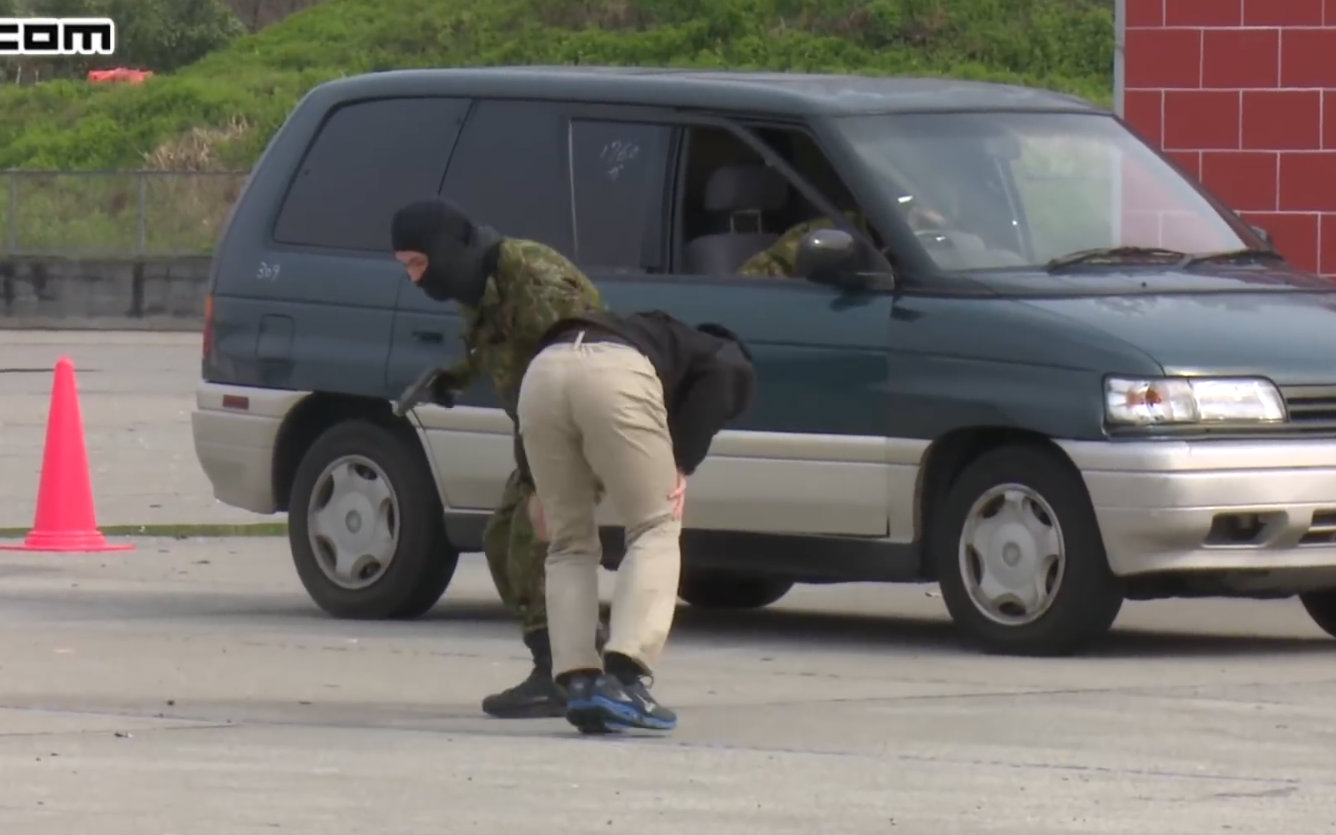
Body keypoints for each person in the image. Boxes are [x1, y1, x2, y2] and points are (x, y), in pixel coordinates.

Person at [389, 197, 608, 719]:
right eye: (407, 269)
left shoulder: (534, 283)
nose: (417, 281)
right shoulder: (481, 287)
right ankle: (563, 659)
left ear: (445, 250)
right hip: (539, 434)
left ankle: (567, 670)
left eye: (419, 264)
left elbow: (586, 362)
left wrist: (548, 475)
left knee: (533, 542)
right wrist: (453, 379)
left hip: (579, 425)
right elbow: (495, 349)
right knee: (500, 541)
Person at [515, 309, 756, 734]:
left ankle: (579, 681)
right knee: (655, 526)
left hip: (541, 371)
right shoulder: (722, 351)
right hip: (615, 375)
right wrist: (683, 462)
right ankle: (624, 677)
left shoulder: (654, 332)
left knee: (567, 542)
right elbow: (723, 375)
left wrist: (532, 483)